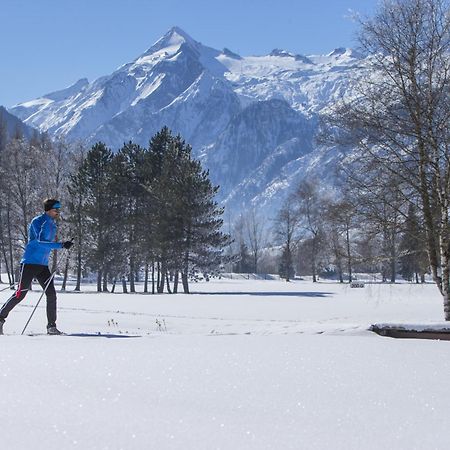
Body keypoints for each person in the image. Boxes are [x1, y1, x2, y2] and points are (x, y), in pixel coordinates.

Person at [0, 199, 73, 335]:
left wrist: (63, 245)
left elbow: (48, 244)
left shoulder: (52, 224)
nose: (58, 211)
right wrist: (61, 245)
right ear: (48, 209)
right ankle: (0, 318)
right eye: (56, 208)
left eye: (59, 209)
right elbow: (40, 242)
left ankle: (51, 326)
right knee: (20, 294)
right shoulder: (38, 221)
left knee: (51, 294)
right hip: (29, 263)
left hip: (42, 265)